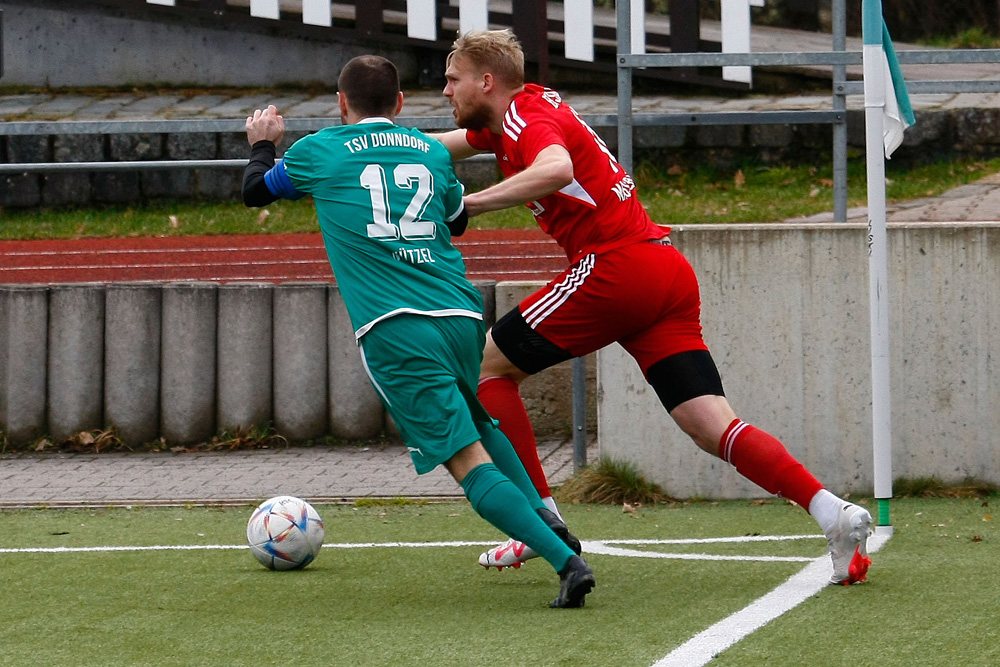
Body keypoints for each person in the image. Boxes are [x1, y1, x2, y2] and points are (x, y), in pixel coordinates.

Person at [433, 30, 873, 585]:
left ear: (486, 81)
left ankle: (539, 522)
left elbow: (556, 170)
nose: (445, 89)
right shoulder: (510, 118)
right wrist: (369, 144)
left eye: (453, 78)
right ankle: (832, 512)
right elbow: (433, 147)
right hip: (664, 271)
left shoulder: (522, 115)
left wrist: (469, 204)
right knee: (711, 425)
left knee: (487, 367)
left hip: (618, 268)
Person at [241, 55, 595, 607]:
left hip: (394, 327)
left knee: (465, 460)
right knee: (481, 421)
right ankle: (550, 525)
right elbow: (455, 220)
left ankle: (564, 561)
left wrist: (264, 142)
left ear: (342, 103)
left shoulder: (319, 151)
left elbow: (255, 191)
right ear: (401, 104)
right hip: (458, 316)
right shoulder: (429, 150)